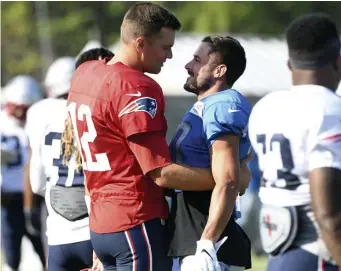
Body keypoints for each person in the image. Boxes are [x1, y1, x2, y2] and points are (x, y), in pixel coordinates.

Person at [65, 2, 220, 270]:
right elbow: (160, 172)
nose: (170, 55)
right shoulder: (136, 86)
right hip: (134, 221)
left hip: (101, 224)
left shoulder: (85, 73)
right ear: (140, 44)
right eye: (165, 47)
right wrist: (224, 180)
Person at [248, 13, 341, 270]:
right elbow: (327, 213)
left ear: (290, 64)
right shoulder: (331, 109)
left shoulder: (265, 108)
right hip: (320, 250)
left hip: (278, 251)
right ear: (338, 61)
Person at [167, 35, 252, 271]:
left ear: (219, 70)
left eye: (197, 60)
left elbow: (228, 180)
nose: (188, 65)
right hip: (191, 231)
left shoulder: (222, 104)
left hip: (208, 238)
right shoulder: (208, 104)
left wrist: (206, 243)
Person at [27, 48, 114, 271]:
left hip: (58, 237)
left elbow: (37, 184)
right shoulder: (102, 112)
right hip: (97, 233)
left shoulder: (41, 115)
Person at [1, 75, 46, 271]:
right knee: (12, 258)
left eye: (23, 108)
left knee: (45, 253)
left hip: (34, 198)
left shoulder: (37, 122)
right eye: (16, 107)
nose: (19, 112)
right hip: (8, 199)